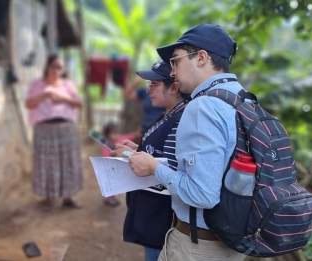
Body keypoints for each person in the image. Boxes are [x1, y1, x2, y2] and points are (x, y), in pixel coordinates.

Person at [127, 24, 246, 261]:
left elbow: (202, 194)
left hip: (198, 245)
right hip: (231, 240)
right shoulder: (242, 97)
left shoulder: (203, 107)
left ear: (201, 58)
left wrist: (154, 168)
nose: (172, 71)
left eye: (176, 61)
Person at [113, 61, 187, 261]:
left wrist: (134, 156)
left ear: (174, 87)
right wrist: (136, 150)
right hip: (152, 216)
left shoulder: (181, 120)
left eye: (154, 84)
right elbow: (160, 155)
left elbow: (173, 168)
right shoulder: (168, 115)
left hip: (161, 218)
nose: (149, 90)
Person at [25, 54, 83, 209]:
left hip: (66, 129)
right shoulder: (37, 84)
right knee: (46, 163)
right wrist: (44, 95)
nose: (57, 70)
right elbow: (29, 104)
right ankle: (48, 197)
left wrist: (61, 98)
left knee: (68, 162)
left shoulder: (68, 85)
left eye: (60, 67)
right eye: (54, 66)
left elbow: (79, 103)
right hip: (44, 130)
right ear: (47, 67)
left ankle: (68, 197)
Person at [99, 122, 135, 207]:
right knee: (109, 185)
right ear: (107, 135)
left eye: (117, 133)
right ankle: (108, 199)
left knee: (115, 185)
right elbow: (106, 156)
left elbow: (128, 136)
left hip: (116, 169)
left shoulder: (120, 140)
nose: (117, 135)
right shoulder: (107, 145)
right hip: (109, 169)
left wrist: (136, 133)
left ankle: (112, 198)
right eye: (114, 133)